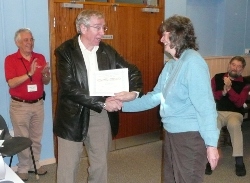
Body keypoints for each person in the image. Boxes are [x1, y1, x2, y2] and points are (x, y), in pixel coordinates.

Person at [114, 15, 220, 183]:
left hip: (189, 136)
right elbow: (155, 97)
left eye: (164, 34)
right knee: (170, 179)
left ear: (177, 35)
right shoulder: (171, 64)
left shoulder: (193, 63)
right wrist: (121, 104)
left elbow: (205, 106)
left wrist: (211, 144)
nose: (161, 39)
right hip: (171, 132)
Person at [53, 9, 143, 183]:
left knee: (100, 164)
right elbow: (69, 87)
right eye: (98, 27)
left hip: (100, 116)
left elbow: (132, 70)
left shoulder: (107, 51)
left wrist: (133, 92)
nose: (103, 32)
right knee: (68, 167)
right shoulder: (65, 51)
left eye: (104, 27)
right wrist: (103, 103)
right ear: (83, 28)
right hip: (72, 116)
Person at [4, 28, 50, 181]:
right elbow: (11, 82)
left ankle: (34, 164)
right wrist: (29, 74)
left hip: (38, 104)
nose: (29, 42)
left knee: (36, 137)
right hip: (19, 106)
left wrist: (45, 75)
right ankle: (23, 167)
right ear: (17, 42)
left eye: (31, 39)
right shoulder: (10, 59)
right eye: (26, 40)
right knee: (22, 138)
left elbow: (46, 82)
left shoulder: (40, 57)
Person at [205, 56, 248, 176]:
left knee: (234, 125)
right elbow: (211, 95)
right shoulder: (218, 77)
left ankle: (239, 161)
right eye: (233, 64)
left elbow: (240, 102)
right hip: (217, 112)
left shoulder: (245, 83)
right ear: (229, 65)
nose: (235, 68)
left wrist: (229, 89)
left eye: (239, 66)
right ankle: (210, 157)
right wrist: (223, 91)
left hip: (235, 113)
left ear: (242, 69)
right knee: (213, 126)